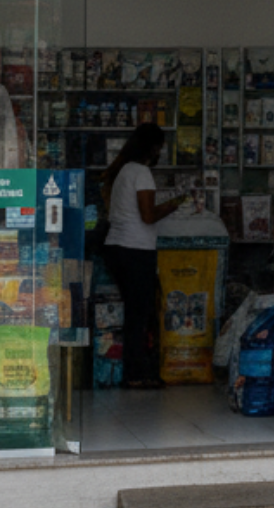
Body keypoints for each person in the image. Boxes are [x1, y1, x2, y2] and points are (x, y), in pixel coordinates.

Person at [101, 123, 187, 389]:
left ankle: (133, 372)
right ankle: (136, 374)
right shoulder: (141, 173)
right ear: (153, 147)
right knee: (141, 315)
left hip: (117, 248)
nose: (160, 152)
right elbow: (148, 216)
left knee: (134, 315)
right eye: (160, 147)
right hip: (136, 250)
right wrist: (175, 203)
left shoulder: (123, 171)